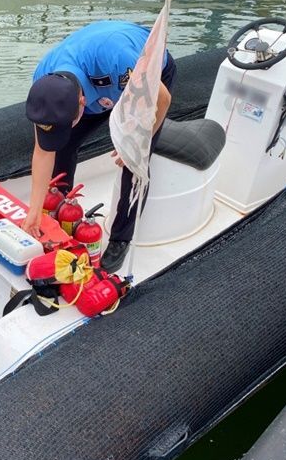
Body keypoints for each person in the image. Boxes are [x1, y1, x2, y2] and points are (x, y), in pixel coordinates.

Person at [23, 20, 176, 272]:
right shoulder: (44, 79)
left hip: (139, 80)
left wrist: (139, 139)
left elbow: (162, 98)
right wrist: (34, 210)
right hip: (100, 83)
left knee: (134, 160)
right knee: (63, 144)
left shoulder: (121, 61)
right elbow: (43, 151)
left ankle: (121, 238)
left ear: (82, 103)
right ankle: (62, 205)